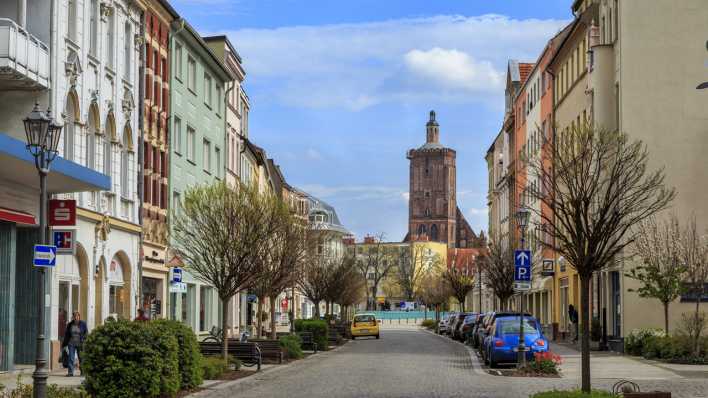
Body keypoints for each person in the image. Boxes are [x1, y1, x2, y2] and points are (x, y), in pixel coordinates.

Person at [61, 311, 87, 377]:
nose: (76, 317)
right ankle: (70, 372)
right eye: (74, 316)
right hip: (71, 343)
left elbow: (86, 333)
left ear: (79, 317)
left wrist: (84, 340)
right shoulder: (70, 324)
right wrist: (64, 344)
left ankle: (83, 372)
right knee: (71, 358)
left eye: (77, 316)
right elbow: (67, 334)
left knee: (81, 358)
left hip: (80, 343)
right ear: (73, 317)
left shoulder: (83, 324)